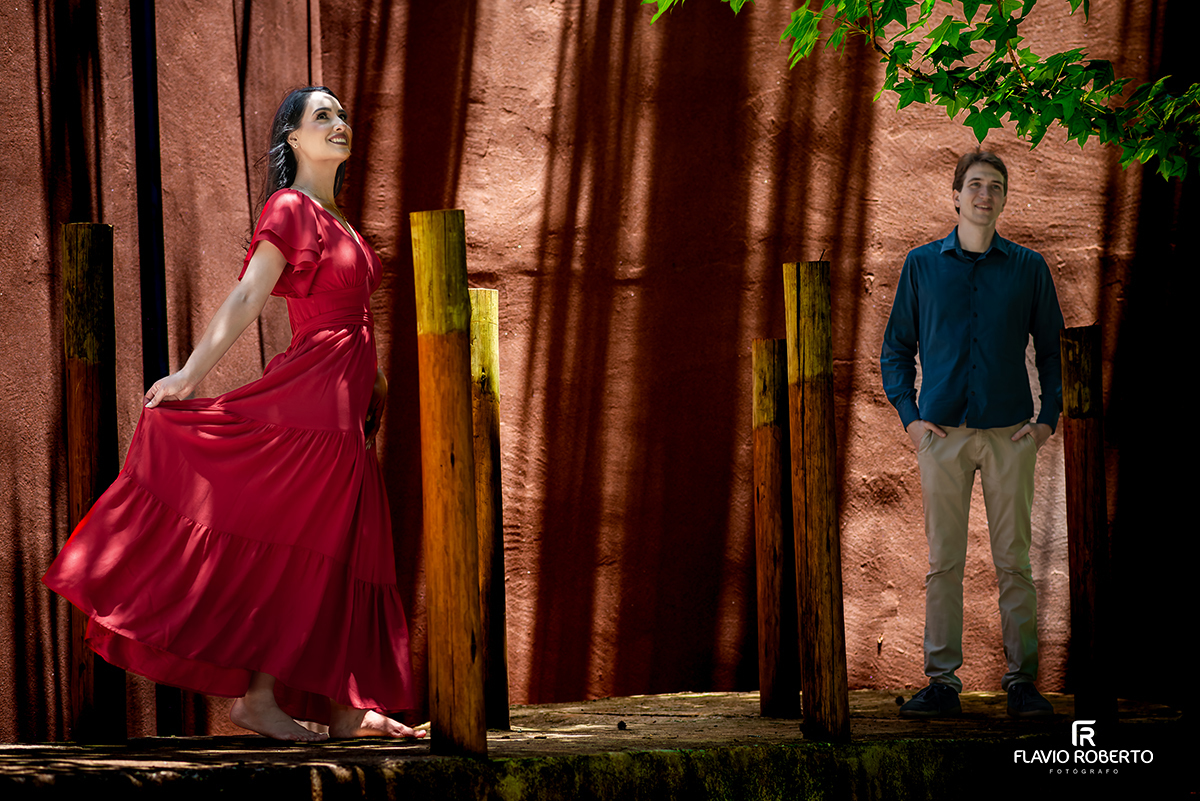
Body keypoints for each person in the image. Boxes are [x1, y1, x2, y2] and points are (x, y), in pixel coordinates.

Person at [43, 87, 425, 742]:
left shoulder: (342, 223)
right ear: (292, 139)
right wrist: (191, 375)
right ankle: (258, 696)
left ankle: (344, 708)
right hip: (310, 404)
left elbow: (352, 321)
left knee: (341, 548)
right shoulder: (291, 207)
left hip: (343, 410)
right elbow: (250, 292)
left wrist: (378, 379)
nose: (339, 123)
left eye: (341, 114)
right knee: (297, 545)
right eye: (321, 116)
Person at [880, 151, 1063, 719]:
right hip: (943, 437)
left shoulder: (1029, 268)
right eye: (976, 185)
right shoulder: (921, 266)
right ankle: (941, 683)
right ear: (955, 195)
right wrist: (912, 421)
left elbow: (1055, 352)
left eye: (996, 187)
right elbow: (895, 351)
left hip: (1011, 434)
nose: (986, 195)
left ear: (1005, 199)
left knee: (1014, 562)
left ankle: (1022, 683)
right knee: (944, 563)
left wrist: (1045, 422)